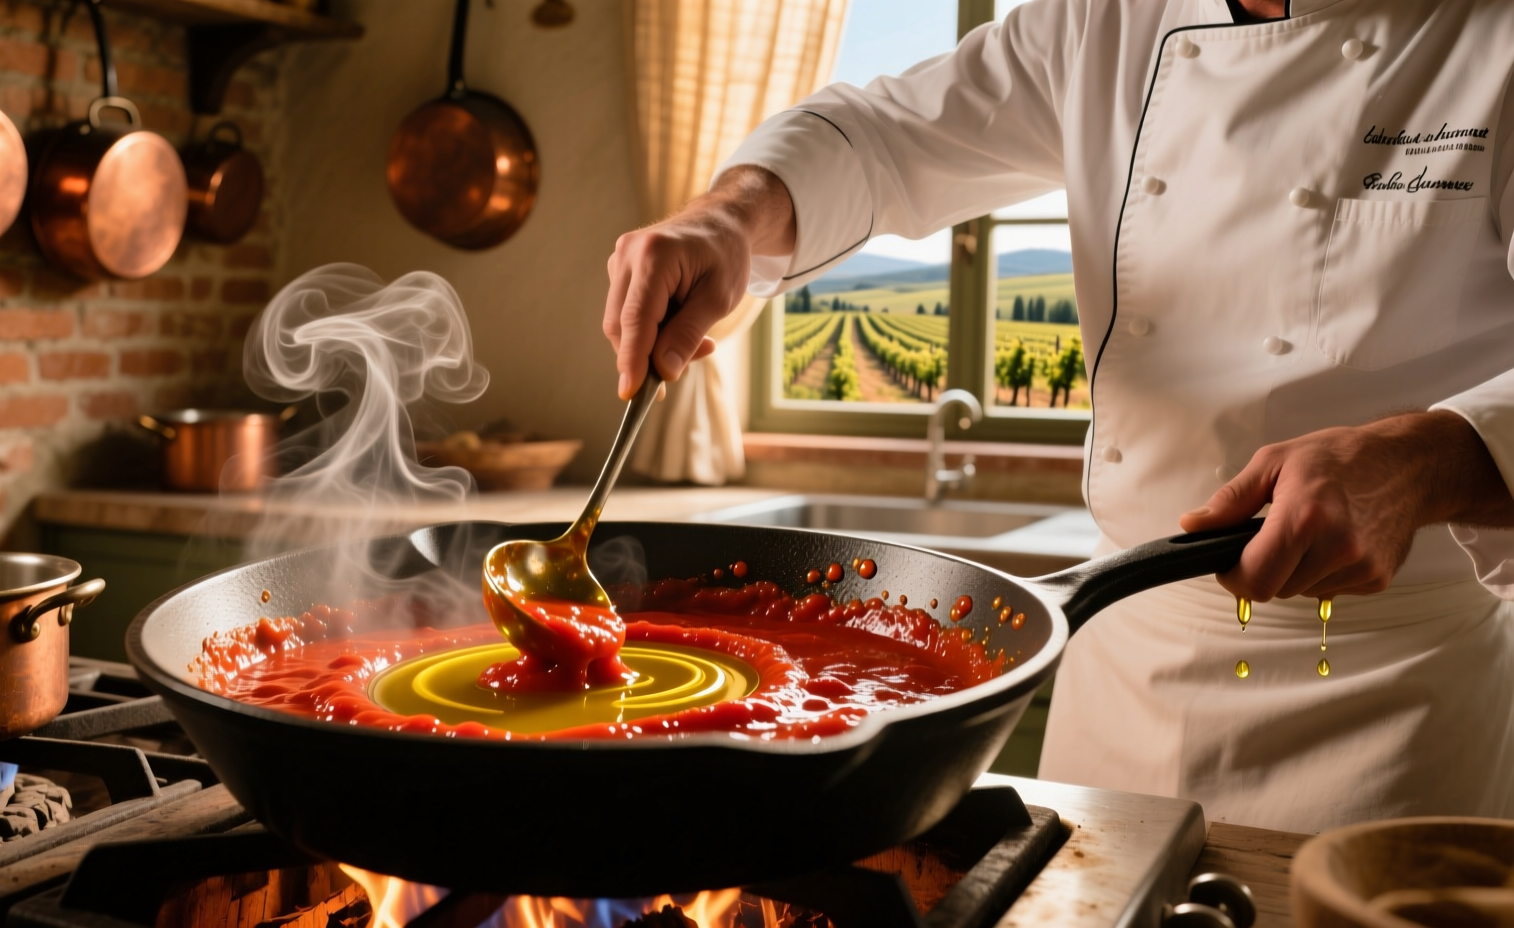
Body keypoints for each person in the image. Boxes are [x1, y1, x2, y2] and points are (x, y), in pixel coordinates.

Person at [601, 0, 1514, 833]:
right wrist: (728, 215)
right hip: (1122, 669)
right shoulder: (1106, 17)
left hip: (1393, 696)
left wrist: (1430, 457)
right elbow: (883, 138)